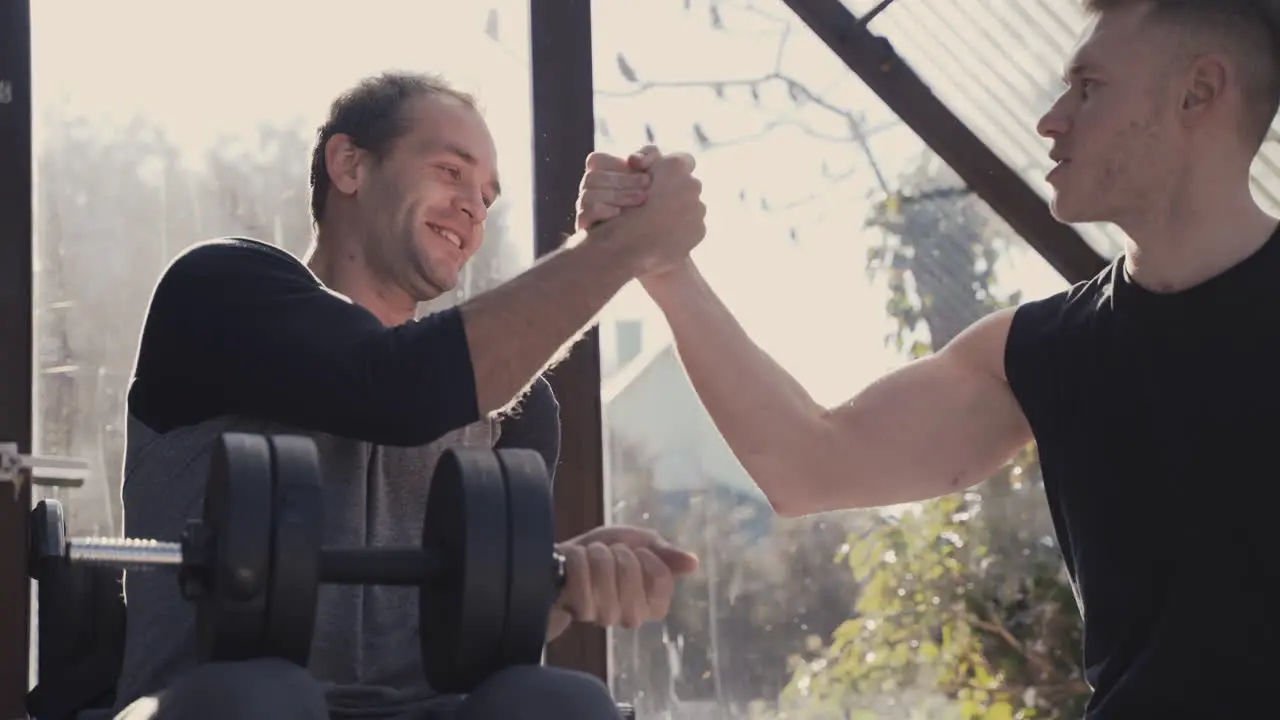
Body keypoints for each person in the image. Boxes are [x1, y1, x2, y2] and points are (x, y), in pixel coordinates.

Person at [578, 1, 1280, 717]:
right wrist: (663, 266)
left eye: (1090, 87)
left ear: (1198, 92)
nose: (1051, 119)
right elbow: (809, 464)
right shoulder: (1046, 350)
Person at [110, 71, 704, 720]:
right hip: (223, 703)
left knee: (559, 702)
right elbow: (397, 386)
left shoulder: (518, 405)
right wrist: (618, 252)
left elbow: (491, 629)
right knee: (260, 697)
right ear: (350, 165)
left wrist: (562, 582)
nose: (475, 207)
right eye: (451, 171)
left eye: (487, 195)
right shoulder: (221, 292)